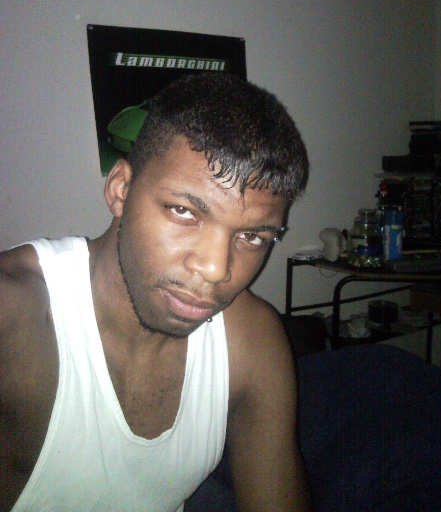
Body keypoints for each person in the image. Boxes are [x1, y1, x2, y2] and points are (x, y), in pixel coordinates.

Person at [0, 72, 313, 512]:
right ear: (121, 189)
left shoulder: (251, 338)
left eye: (252, 237)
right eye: (183, 211)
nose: (215, 269)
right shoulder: (14, 313)